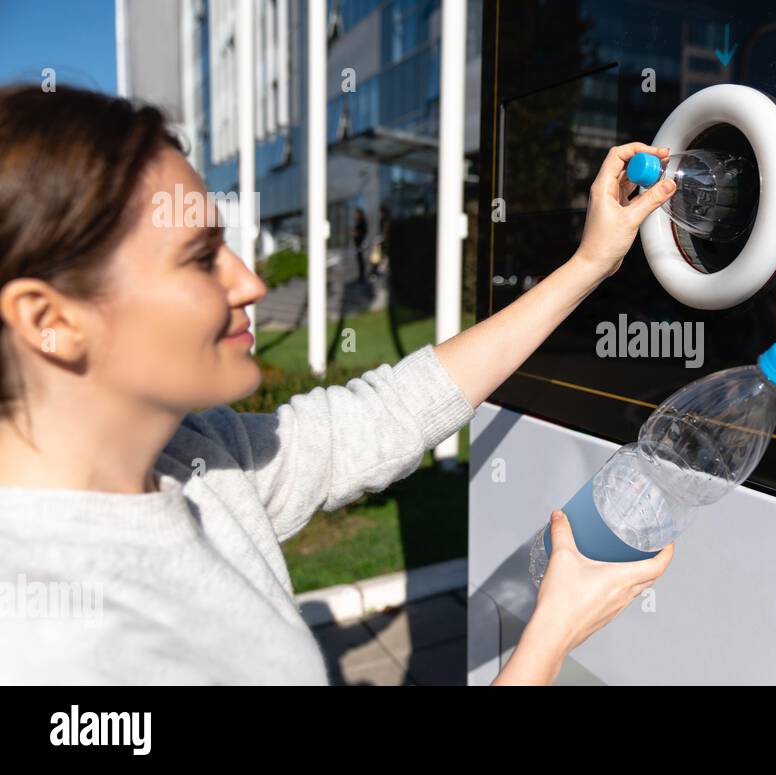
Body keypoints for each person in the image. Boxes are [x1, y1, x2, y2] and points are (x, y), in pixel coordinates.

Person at [0, 84, 679, 685]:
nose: (251, 283)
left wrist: (592, 262)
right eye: (200, 257)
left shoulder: (198, 457)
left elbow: (390, 413)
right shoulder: (43, 637)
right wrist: (550, 636)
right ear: (48, 319)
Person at [351, 207, 369, 284]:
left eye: (356, 213)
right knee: (359, 260)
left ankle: (362, 276)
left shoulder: (362, 221)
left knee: (361, 260)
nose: (355, 215)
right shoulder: (358, 221)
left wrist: (357, 233)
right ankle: (361, 276)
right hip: (358, 243)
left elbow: (363, 232)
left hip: (361, 243)